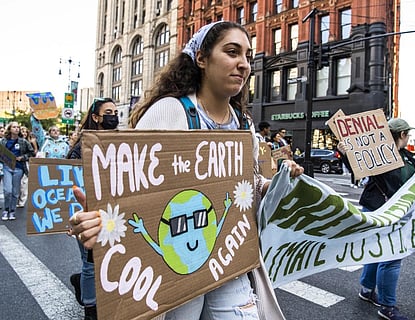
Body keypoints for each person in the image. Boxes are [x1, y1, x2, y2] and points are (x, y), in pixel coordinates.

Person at [69, 21, 303, 320]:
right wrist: (96, 221)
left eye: (247, 56)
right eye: (232, 52)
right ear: (201, 59)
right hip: (177, 269)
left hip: (228, 258)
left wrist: (277, 183)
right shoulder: (170, 111)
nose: (243, 64)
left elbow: (244, 186)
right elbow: (129, 191)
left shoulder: (243, 123)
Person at [340, 118, 415, 320]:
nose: (408, 137)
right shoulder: (384, 155)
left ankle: (367, 290)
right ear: (402, 135)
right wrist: (345, 153)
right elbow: (358, 169)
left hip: (379, 207)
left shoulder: (401, 156)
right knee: (392, 257)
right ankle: (387, 306)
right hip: (386, 210)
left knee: (376, 252)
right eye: (408, 134)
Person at [68, 97, 118, 320]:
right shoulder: (80, 149)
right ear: (96, 117)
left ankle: (81, 282)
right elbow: (70, 182)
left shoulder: (119, 143)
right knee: (91, 261)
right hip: (88, 212)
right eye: (108, 112)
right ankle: (91, 309)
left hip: (110, 212)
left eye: (115, 113)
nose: (113, 117)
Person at [0, 122, 35, 220]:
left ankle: (12, 210)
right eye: (14, 127)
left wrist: (23, 157)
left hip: (19, 168)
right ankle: (6, 209)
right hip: (7, 167)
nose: (16, 129)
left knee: (15, 191)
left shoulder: (23, 141)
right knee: (7, 190)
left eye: (17, 127)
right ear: (10, 129)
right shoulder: (3, 141)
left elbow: (31, 153)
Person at [18, 127, 38, 208]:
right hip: (16, 164)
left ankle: (22, 201)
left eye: (26, 132)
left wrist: (34, 144)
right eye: (22, 131)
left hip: (26, 163)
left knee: (24, 183)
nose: (24, 133)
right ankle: (17, 199)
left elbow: (34, 153)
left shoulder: (28, 142)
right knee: (17, 183)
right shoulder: (16, 140)